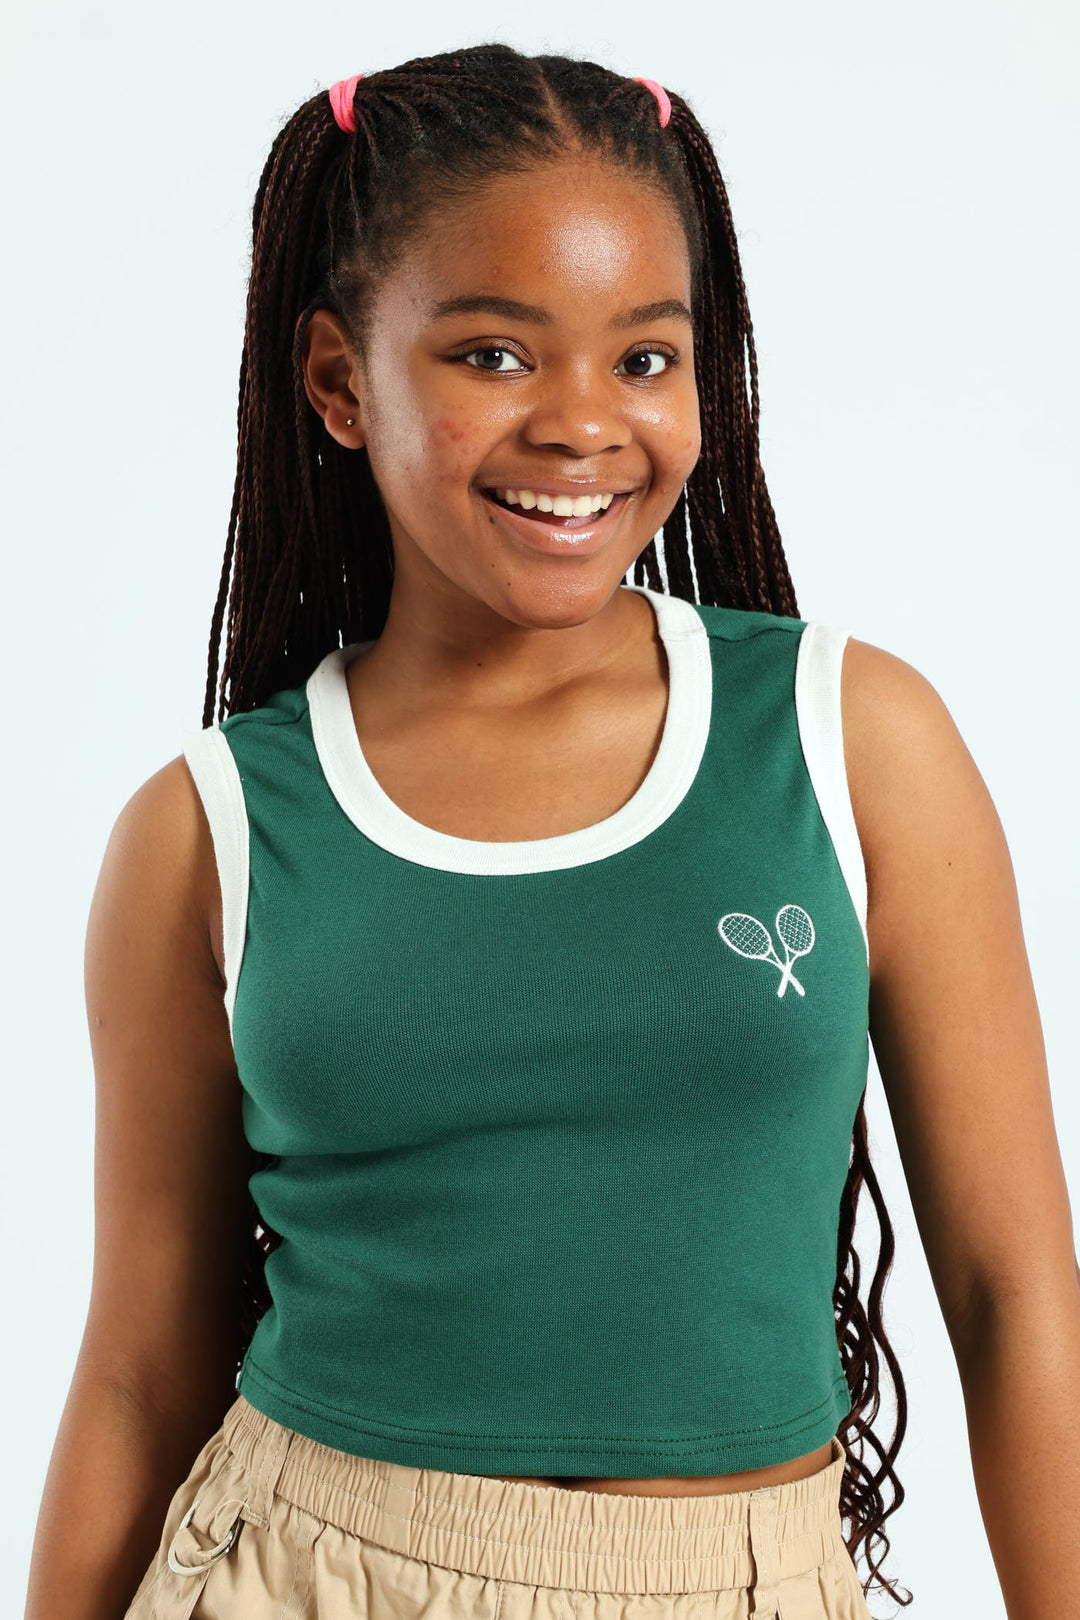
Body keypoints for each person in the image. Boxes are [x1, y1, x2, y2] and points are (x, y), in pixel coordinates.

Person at [23, 42, 1079, 1620]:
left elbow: (1013, 1298)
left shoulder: (850, 741)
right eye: (495, 356)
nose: (583, 423)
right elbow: (138, 1368)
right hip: (301, 1571)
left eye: (645, 358)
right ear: (339, 382)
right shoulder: (209, 832)